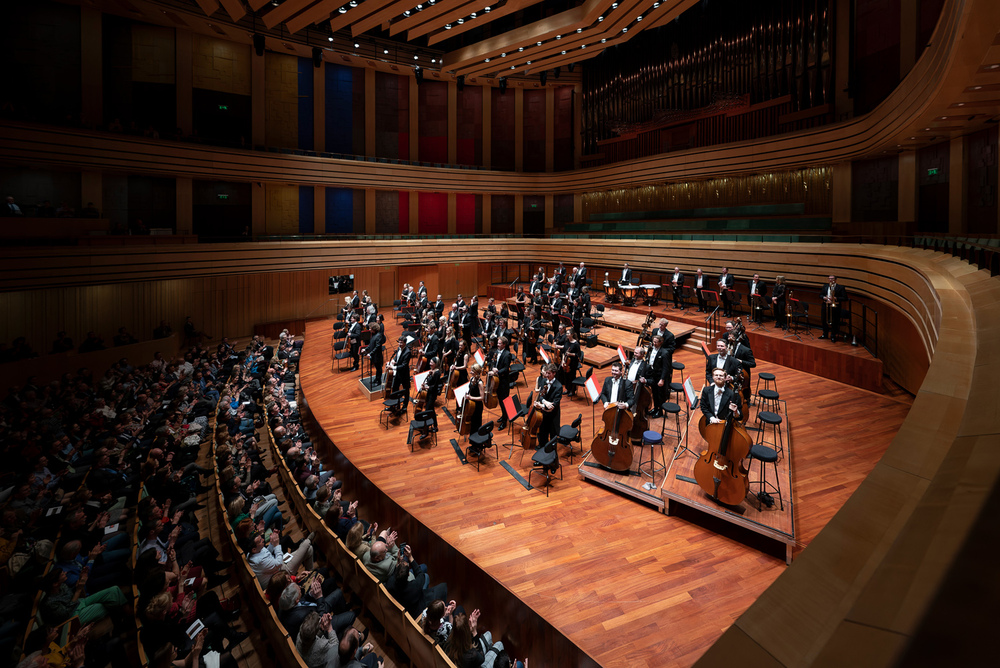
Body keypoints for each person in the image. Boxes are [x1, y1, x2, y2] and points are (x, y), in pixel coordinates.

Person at [532, 364, 562, 448]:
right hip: (543, 414)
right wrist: (545, 402)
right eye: (546, 373)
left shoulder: (558, 387)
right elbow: (541, 395)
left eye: (549, 373)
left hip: (553, 416)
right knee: (542, 433)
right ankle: (542, 449)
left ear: (554, 373)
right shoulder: (543, 381)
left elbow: (553, 406)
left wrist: (541, 405)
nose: (546, 375)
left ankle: (551, 455)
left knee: (553, 437)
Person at [488, 337, 512, 430]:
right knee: (500, 400)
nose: (497, 345)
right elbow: (494, 363)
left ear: (504, 345)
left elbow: (506, 369)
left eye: (499, 343)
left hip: (503, 382)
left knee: (504, 402)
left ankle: (504, 421)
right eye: (497, 343)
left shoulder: (507, 355)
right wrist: (492, 366)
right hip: (497, 381)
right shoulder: (496, 352)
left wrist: (496, 371)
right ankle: (503, 416)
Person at [820, 275, 848, 342]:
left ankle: (833, 336)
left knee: (834, 321)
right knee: (824, 320)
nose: (830, 280)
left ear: (835, 280)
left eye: (832, 279)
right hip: (826, 305)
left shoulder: (840, 287)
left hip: (835, 306)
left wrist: (836, 298)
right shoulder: (825, 286)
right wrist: (824, 297)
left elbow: (845, 298)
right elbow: (820, 295)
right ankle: (825, 334)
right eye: (829, 279)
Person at [463, 363, 485, 435]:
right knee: (472, 423)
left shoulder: (480, 383)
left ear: (476, 372)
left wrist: (471, 397)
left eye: (472, 371)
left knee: (476, 424)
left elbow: (482, 397)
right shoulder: (472, 378)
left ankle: (477, 443)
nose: (470, 372)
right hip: (471, 405)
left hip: (477, 406)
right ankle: (472, 441)